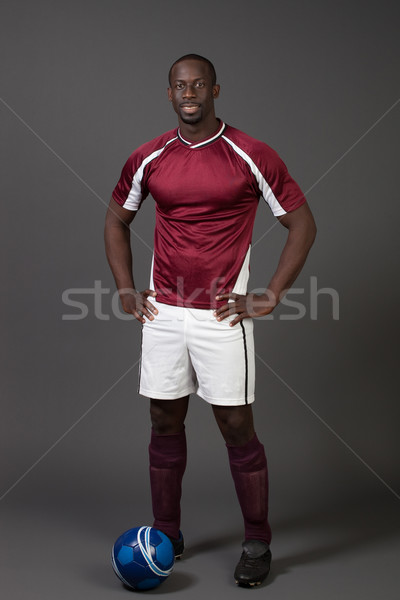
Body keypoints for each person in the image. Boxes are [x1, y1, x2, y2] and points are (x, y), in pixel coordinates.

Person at [104, 54, 316, 587]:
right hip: (164, 312)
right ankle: (168, 533)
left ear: (216, 89)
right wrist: (126, 288)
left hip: (223, 315)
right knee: (163, 418)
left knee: (235, 425)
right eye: (180, 84)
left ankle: (257, 540)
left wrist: (268, 295)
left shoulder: (250, 153)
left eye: (198, 83)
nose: (189, 91)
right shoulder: (149, 156)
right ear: (169, 93)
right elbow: (116, 219)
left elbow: (303, 225)